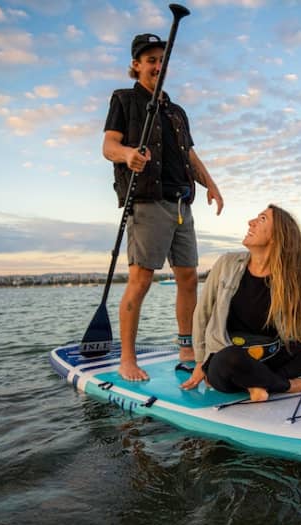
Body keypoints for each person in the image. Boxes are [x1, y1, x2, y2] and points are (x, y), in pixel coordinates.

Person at [103, 32, 223, 381]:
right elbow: (109, 145)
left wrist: (211, 185)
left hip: (182, 203)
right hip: (147, 202)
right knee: (141, 280)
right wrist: (128, 155)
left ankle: (187, 347)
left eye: (162, 60)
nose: (157, 65)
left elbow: (188, 153)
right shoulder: (124, 100)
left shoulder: (177, 111)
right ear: (136, 65)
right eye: (150, 59)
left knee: (188, 277)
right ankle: (127, 359)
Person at [181, 205, 301, 401]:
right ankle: (289, 385)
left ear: (277, 236)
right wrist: (201, 362)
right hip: (226, 359)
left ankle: (259, 381)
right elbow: (202, 312)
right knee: (231, 356)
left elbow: (294, 333)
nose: (250, 222)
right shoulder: (227, 263)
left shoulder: (291, 280)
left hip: (270, 358)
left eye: (262, 219)